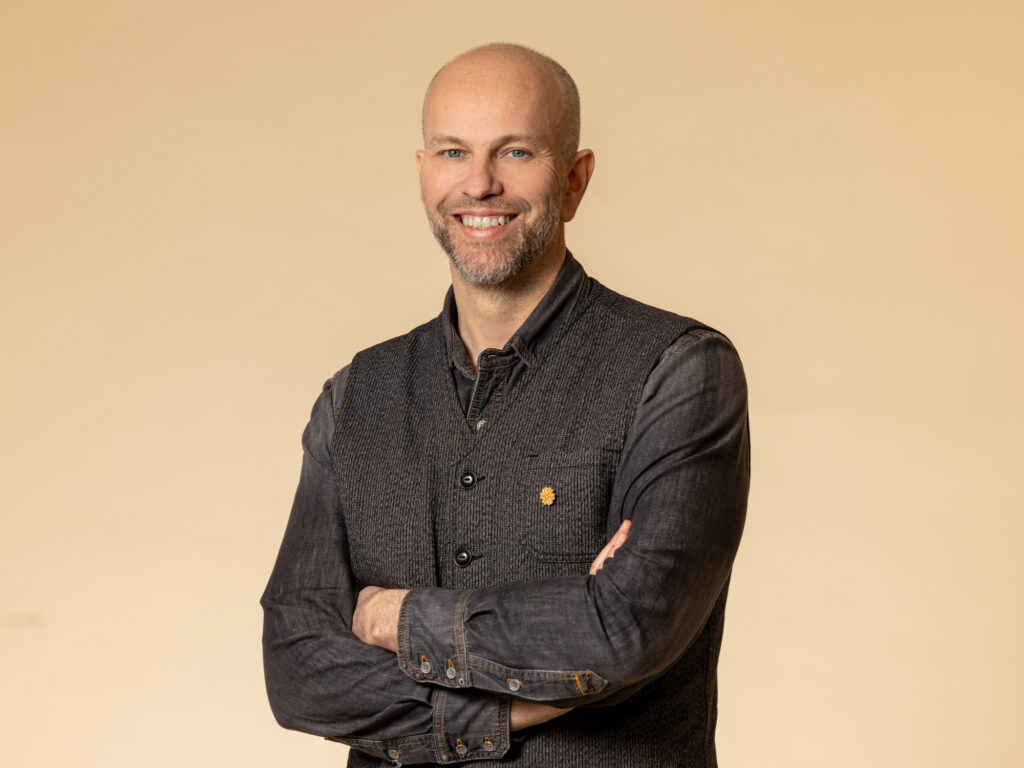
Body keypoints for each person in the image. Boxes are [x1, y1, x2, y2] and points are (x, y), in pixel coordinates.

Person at [261, 43, 750, 767]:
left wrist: (396, 617)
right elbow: (297, 671)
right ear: (423, 173)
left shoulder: (678, 371)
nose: (479, 183)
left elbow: (627, 628)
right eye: (452, 151)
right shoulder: (355, 397)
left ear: (575, 181)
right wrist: (518, 699)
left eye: (516, 152)